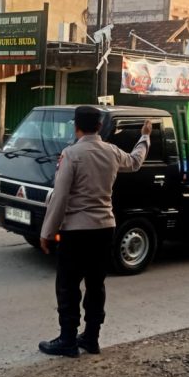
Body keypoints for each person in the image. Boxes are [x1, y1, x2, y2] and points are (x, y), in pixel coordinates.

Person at [37, 107, 153, 357]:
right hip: (104, 229)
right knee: (95, 285)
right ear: (99, 126)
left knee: (68, 286)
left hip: (76, 231)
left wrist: (47, 231)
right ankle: (91, 338)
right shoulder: (111, 151)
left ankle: (68, 339)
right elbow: (135, 161)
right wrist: (145, 136)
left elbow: (60, 196)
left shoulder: (71, 154)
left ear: (75, 127)